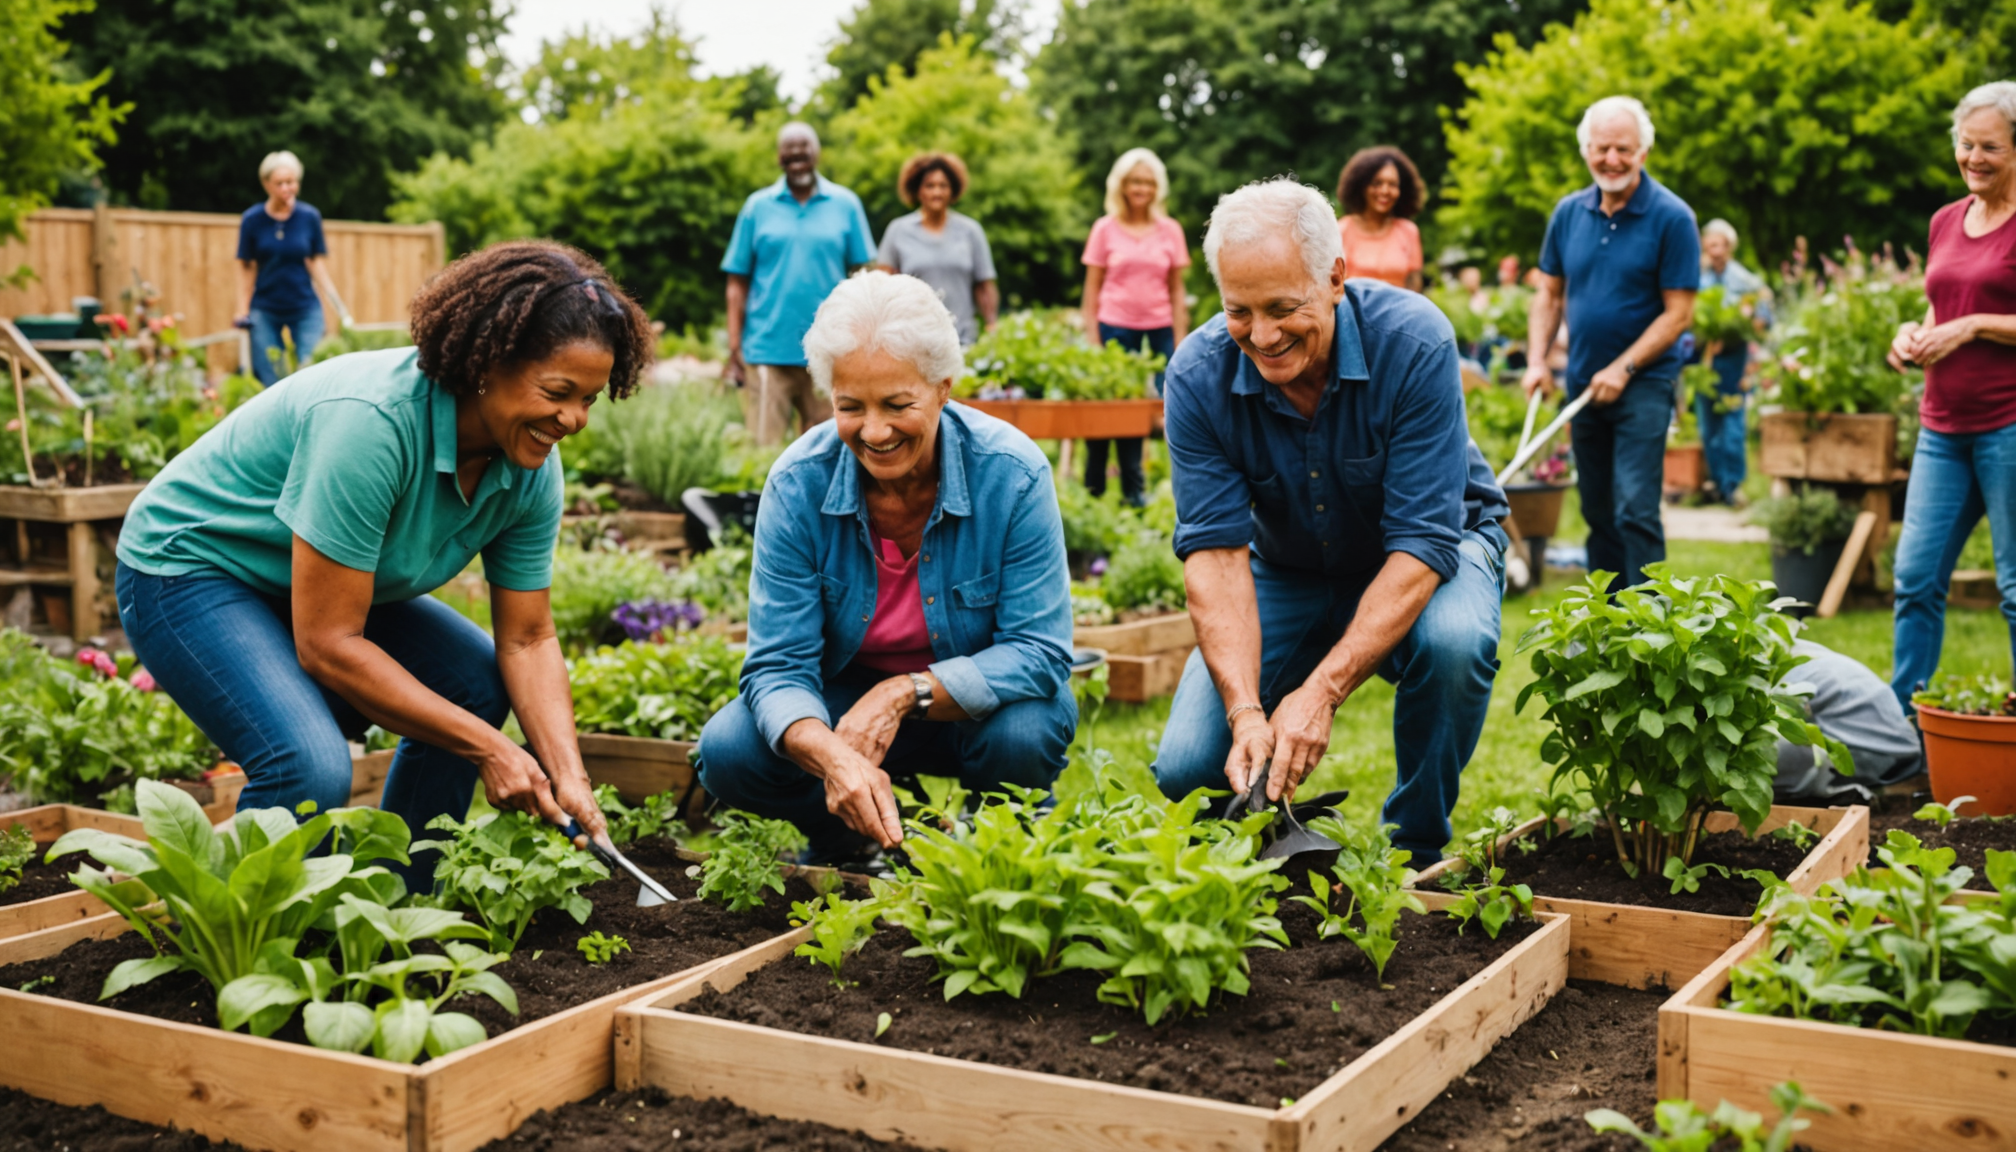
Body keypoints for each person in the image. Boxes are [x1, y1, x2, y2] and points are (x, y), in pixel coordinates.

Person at [116, 241, 656, 881]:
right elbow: (328, 642)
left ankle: (401, 897)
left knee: (475, 682)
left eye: (590, 399)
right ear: (489, 361)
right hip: (192, 567)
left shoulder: (530, 468)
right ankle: (260, 948)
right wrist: (491, 750)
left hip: (309, 583)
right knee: (307, 764)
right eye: (559, 392)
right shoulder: (371, 424)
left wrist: (568, 773)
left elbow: (530, 639)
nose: (574, 420)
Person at [1151, 179, 1510, 862]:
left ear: (1336, 278)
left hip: (1425, 551)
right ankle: (1259, 845)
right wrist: (1247, 712)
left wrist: (1322, 690)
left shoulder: (1414, 341)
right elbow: (1217, 559)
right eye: (1239, 311)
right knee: (1186, 765)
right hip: (1289, 564)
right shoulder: (1198, 374)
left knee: (1456, 642)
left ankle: (1418, 845)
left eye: (1284, 308)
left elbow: (1423, 542)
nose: (1262, 335)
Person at [696, 272, 1077, 865]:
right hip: (844, 705)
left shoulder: (1012, 473)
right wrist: (832, 755)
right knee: (729, 748)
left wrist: (904, 692)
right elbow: (776, 667)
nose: (874, 432)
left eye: (898, 405)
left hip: (966, 711)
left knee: (1027, 730)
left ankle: (996, 844)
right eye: (851, 407)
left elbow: (1039, 651)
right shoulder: (798, 483)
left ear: (943, 388)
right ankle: (844, 837)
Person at [1524, 96, 1700, 591]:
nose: (1612, 159)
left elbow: (1679, 313)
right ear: (1586, 151)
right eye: (1602, 148)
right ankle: (1610, 624)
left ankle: (1654, 623)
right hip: (1582, 383)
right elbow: (1549, 295)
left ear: (1643, 152)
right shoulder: (1567, 214)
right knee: (1596, 508)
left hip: (1643, 383)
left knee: (1635, 508)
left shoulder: (1672, 218)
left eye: (1624, 149)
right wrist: (1537, 361)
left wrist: (1623, 368)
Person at [1886, 81, 2016, 707]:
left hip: (2009, 425)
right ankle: (1904, 732)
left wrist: (1971, 328)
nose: (1973, 158)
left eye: (1989, 147)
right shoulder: (1946, 219)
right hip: (1941, 429)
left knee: (2015, 590)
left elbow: (1970, 317)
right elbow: (1942, 303)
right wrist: (1912, 333)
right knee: (1914, 578)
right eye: (1965, 145)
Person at [723, 122, 876, 445]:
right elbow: (737, 282)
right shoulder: (757, 207)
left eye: (803, 150)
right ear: (779, 157)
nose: (797, 158)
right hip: (766, 350)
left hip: (831, 349)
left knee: (832, 449)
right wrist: (734, 345)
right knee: (762, 450)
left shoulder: (845, 204)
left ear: (816, 153)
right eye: (789, 152)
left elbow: (864, 276)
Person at [1081, 147, 1190, 505]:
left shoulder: (1170, 230)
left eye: (1148, 182)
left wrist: (1180, 341)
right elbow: (1091, 289)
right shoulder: (1104, 228)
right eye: (1134, 181)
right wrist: (1094, 341)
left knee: (1148, 414)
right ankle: (1093, 490)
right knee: (1108, 409)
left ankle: (1135, 494)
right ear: (1122, 185)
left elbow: (1177, 291)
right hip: (1115, 327)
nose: (1141, 188)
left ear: (1157, 187)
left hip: (1158, 329)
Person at [234, 151, 348, 386]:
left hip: (305, 307)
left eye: (291, 182)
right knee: (271, 378)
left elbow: (315, 263)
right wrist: (242, 309)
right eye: (280, 183)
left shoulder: (309, 217)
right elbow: (247, 268)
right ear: (266, 184)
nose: (286, 188)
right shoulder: (252, 220)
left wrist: (338, 305)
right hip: (265, 309)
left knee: (311, 372)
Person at [1773, 641, 1922, 805]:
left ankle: (1846, 794)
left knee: (1764, 758)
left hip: (1875, 751)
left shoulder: (1770, 673)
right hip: (1899, 741)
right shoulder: (1788, 647)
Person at [876, 152, 998, 346]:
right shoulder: (898, 230)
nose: (937, 192)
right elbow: (882, 284)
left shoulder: (970, 231)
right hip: (913, 339)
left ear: (953, 190)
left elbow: (984, 285)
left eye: (943, 185)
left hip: (962, 338)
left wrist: (992, 323)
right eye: (930, 185)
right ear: (918, 190)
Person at [1693, 218, 1771, 506]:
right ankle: (1716, 481)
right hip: (1703, 360)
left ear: (1730, 247)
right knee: (1708, 424)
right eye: (1711, 244)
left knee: (1733, 423)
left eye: (1721, 244)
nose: (1715, 250)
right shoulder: (1698, 278)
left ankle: (1733, 485)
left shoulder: (1745, 280)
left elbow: (1763, 319)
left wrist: (1752, 324)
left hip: (1734, 358)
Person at [1335, 146, 1426, 291]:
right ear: (1361, 187)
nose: (1385, 191)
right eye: (1377, 183)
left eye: (1392, 184)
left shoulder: (1408, 231)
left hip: (1397, 312)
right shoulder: (1342, 229)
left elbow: (1414, 287)